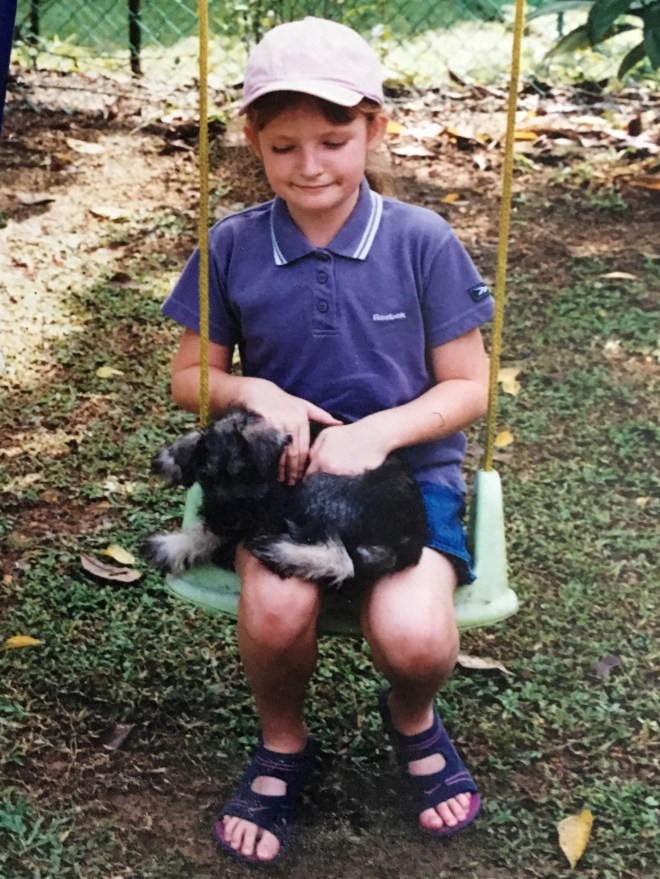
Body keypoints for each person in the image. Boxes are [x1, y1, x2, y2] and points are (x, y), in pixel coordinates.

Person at [161, 16, 493, 865]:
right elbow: (190, 376)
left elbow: (469, 386)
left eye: (334, 141)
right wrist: (256, 392)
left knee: (414, 637)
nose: (309, 165)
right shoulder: (232, 245)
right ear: (254, 143)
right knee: (277, 611)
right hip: (286, 474)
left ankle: (412, 715)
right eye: (284, 146)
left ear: (375, 130)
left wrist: (379, 432)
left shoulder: (421, 241)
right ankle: (284, 738)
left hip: (408, 475)